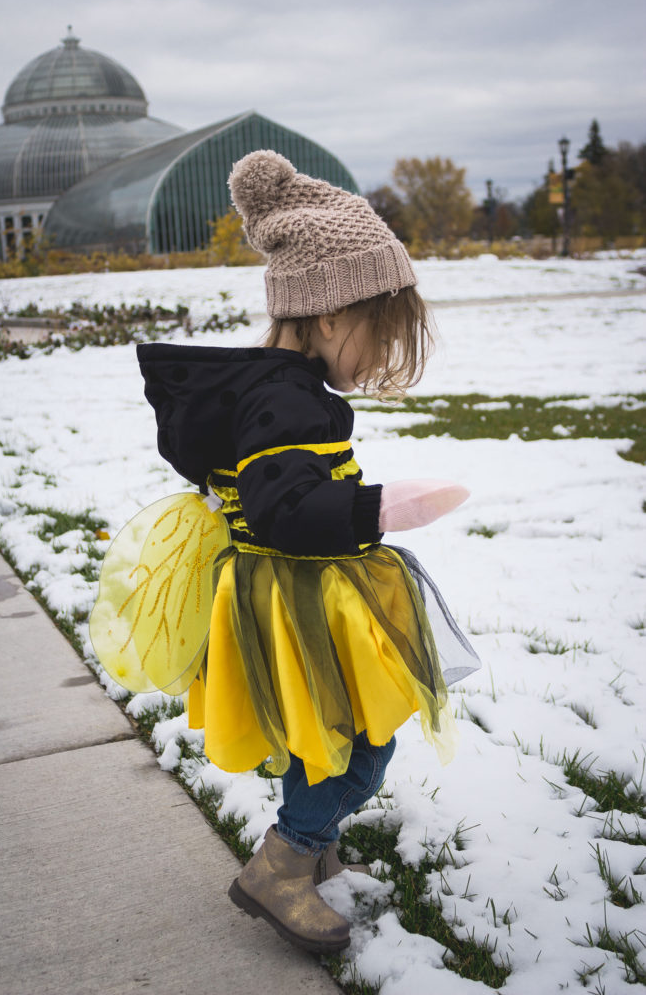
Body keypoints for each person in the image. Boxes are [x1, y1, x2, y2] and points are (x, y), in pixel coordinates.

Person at [90, 150, 480, 955]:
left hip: (283, 600)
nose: (380, 358)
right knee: (363, 745)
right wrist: (379, 506)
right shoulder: (287, 403)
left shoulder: (268, 389)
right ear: (331, 316)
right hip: (294, 599)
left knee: (322, 730)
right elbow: (281, 508)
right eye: (382, 334)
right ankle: (281, 866)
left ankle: (317, 849)